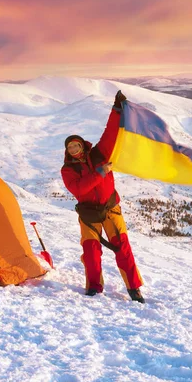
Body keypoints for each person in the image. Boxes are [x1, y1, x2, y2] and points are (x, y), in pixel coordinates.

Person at [61, 90, 145, 303]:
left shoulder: (100, 153)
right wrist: (100, 173)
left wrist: (117, 109)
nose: (73, 149)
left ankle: (134, 288)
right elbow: (79, 189)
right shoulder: (67, 170)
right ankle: (94, 287)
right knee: (91, 252)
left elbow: (111, 133)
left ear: (83, 145)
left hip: (110, 209)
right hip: (89, 214)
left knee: (123, 248)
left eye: (76, 145)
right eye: (69, 147)